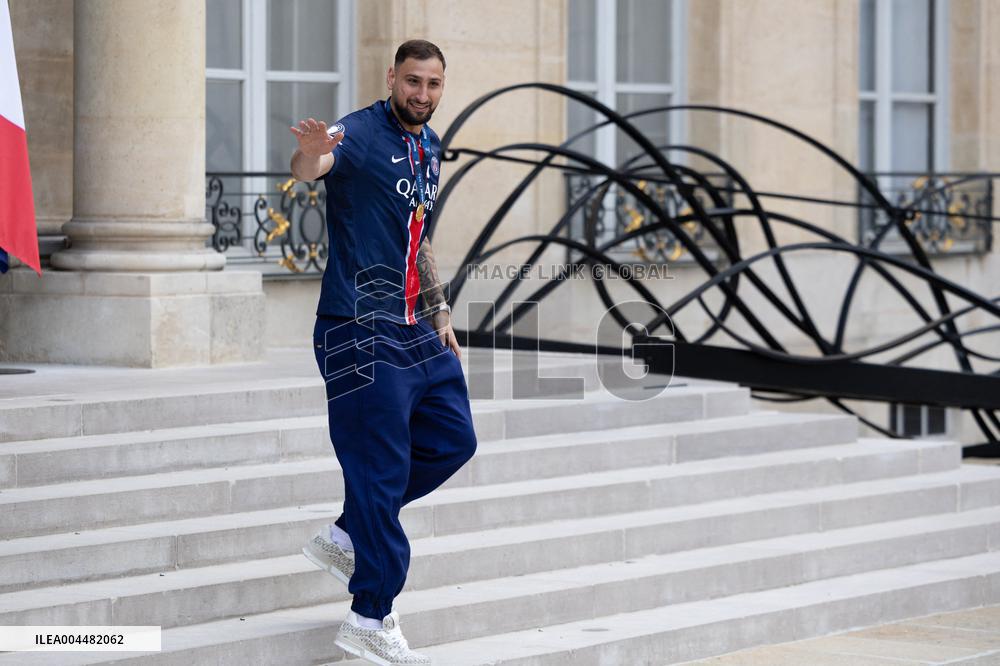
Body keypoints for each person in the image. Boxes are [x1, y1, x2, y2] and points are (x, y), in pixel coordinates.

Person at [289, 39, 476, 666]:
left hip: (416, 327)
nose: (422, 94)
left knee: (454, 439)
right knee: (380, 467)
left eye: (434, 84)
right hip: (357, 328)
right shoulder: (359, 133)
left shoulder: (430, 145)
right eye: (412, 81)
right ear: (391, 76)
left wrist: (440, 309)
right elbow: (309, 168)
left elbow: (418, 232)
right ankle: (372, 614)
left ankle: (348, 529)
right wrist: (309, 155)